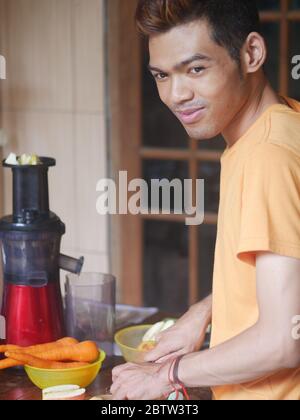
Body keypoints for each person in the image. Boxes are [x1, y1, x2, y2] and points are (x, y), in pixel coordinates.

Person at [111, 0, 300, 400]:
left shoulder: (267, 156)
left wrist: (167, 375)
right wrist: (203, 312)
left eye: (196, 69)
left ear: (251, 53)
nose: (177, 94)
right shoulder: (282, 124)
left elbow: (284, 340)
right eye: (162, 75)